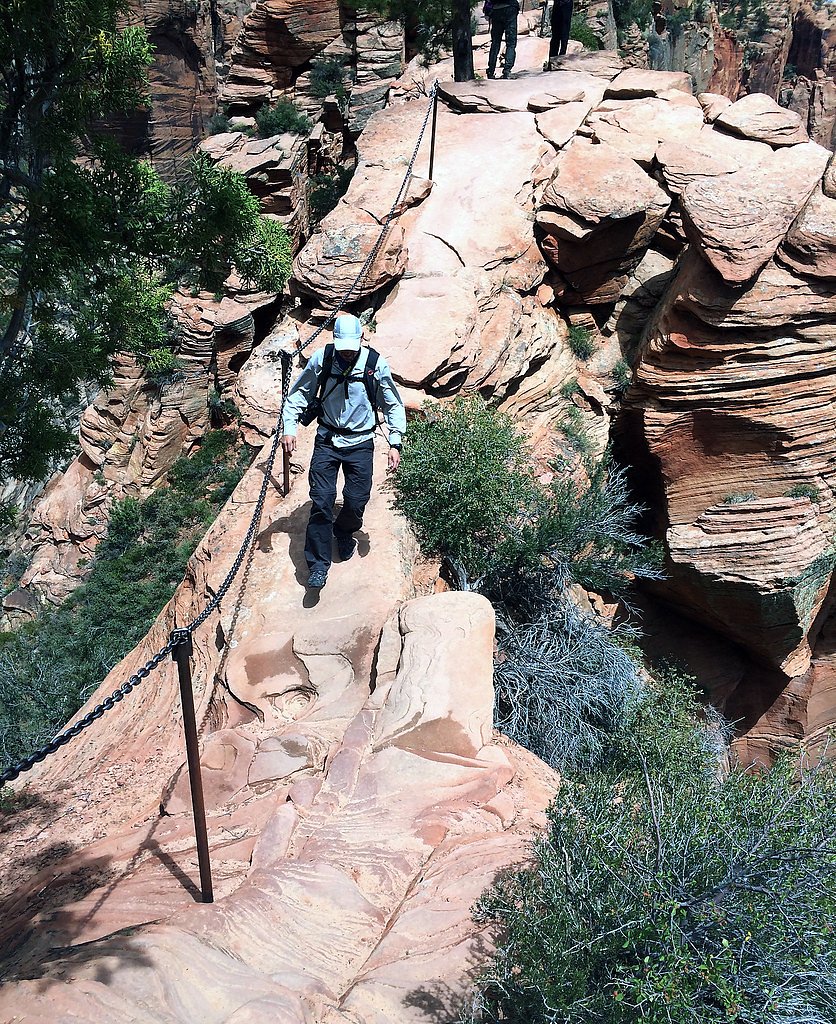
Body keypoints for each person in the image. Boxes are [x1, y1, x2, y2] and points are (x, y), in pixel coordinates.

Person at [281, 313, 406, 591]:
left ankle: (345, 530)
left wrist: (394, 443)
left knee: (356, 498)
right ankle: (318, 565)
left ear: (362, 339)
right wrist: (289, 428)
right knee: (323, 500)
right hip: (327, 439)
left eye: (352, 347)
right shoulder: (322, 359)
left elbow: (393, 405)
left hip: (361, 442)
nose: (348, 354)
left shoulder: (375, 365)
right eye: (343, 348)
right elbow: (299, 394)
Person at [486, 0, 520, 79]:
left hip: (496, 10)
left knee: (495, 42)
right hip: (510, 8)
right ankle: (507, 71)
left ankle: (491, 71)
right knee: (511, 43)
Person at [548, 0, 573, 66]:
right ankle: (551, 61)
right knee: (555, 35)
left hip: (566, 3)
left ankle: (561, 59)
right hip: (557, 4)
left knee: (564, 33)